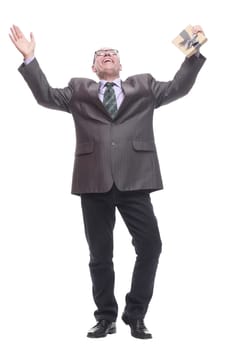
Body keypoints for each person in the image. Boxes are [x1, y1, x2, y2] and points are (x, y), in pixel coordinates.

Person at [9, 24, 206, 339]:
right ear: (93, 67)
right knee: (100, 255)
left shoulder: (144, 86)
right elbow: (45, 96)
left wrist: (193, 53)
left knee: (151, 246)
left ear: (120, 64)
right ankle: (106, 317)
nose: (107, 55)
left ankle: (135, 314)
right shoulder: (78, 89)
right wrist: (30, 59)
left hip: (136, 180)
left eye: (112, 52)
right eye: (100, 54)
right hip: (93, 181)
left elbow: (179, 87)